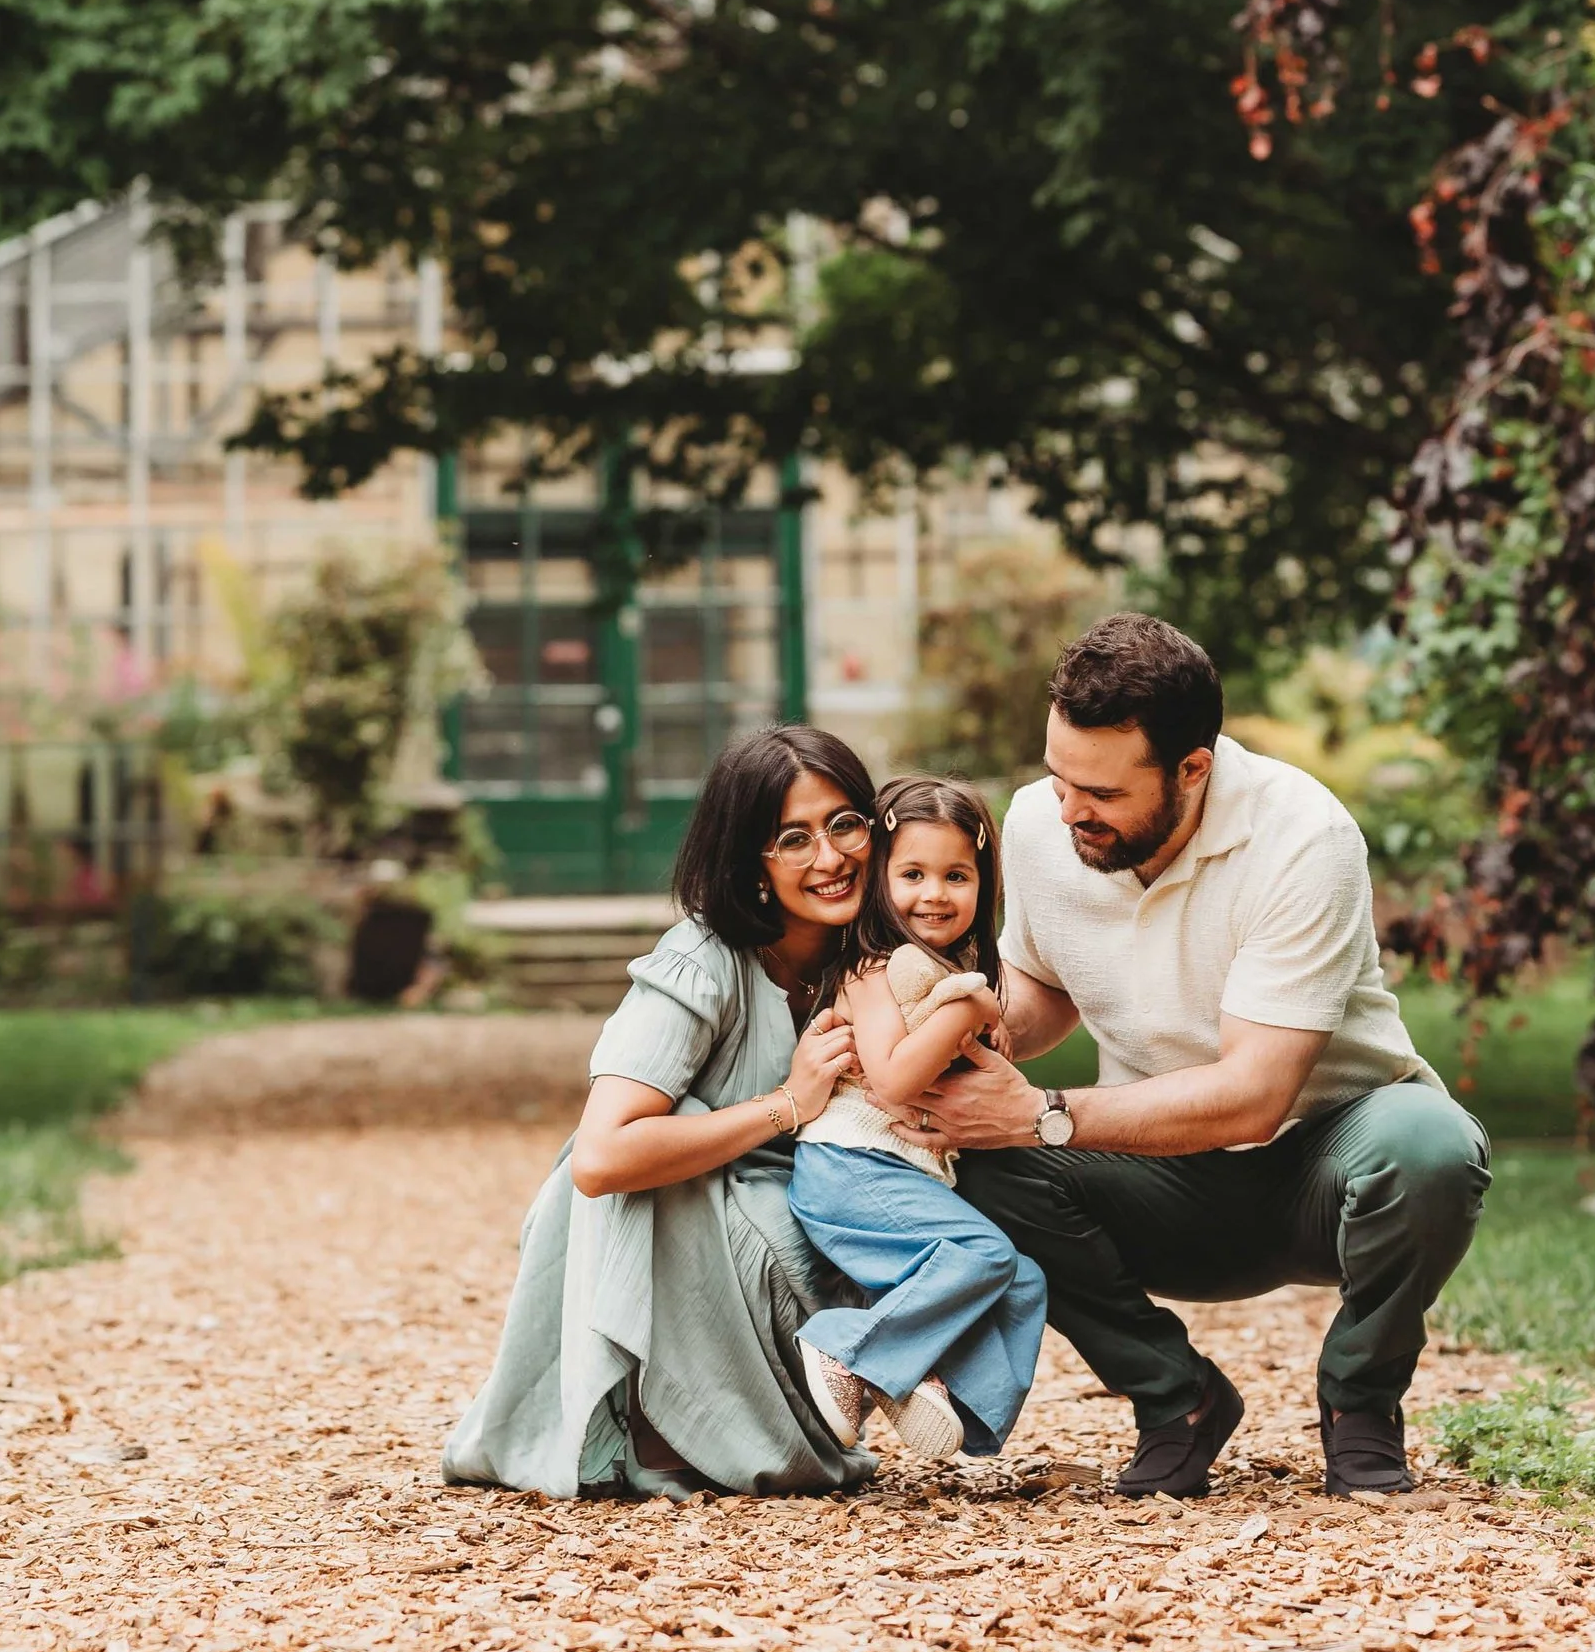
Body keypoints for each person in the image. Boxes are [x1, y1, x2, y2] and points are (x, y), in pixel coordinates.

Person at [928, 613, 1490, 1501]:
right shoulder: (1044, 823)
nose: (1071, 808)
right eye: (1057, 776)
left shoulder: (1305, 836)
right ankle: (1175, 1397)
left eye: (1103, 793)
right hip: (1160, 1175)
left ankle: (1361, 1402)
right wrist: (970, 1037)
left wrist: (1039, 1112)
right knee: (973, 1162)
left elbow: (1254, 1095)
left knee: (1434, 1146)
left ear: (1194, 767)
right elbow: (1044, 985)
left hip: (1326, 1163)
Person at [441, 726, 883, 1497]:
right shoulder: (702, 962)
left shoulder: (880, 954)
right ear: (753, 861)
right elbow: (602, 1157)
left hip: (827, 1229)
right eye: (794, 837)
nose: (831, 856)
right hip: (687, 1224)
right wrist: (787, 1103)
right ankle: (653, 1417)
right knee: (663, 1125)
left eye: (845, 823)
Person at [789, 775, 1049, 1467]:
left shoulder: (946, 970)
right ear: (879, 876)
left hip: (896, 1177)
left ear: (982, 882)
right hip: (849, 1167)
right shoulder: (874, 967)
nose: (934, 893)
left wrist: (974, 1009)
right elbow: (896, 1078)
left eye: (955, 874)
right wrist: (969, 1009)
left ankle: (939, 1391)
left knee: (1023, 1279)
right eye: (912, 873)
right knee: (984, 1256)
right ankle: (846, 1347)